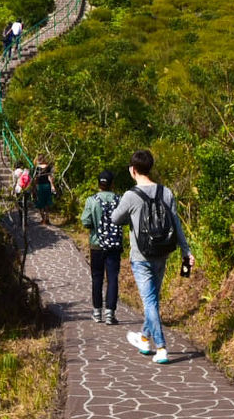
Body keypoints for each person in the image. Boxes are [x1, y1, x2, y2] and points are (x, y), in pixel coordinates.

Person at [111, 147, 193, 364]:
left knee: (150, 303)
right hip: (162, 254)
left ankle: (162, 347)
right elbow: (176, 224)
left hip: (141, 256)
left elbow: (115, 218)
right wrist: (186, 251)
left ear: (133, 170)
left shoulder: (130, 196)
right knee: (152, 300)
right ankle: (145, 339)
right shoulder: (166, 192)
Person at [80, 168, 124, 324]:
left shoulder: (92, 200)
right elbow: (124, 219)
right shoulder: (119, 199)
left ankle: (97, 312)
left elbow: (85, 221)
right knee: (112, 278)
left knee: (97, 277)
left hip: (96, 245)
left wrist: (95, 225)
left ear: (99, 184)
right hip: (114, 245)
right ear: (112, 184)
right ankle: (110, 314)